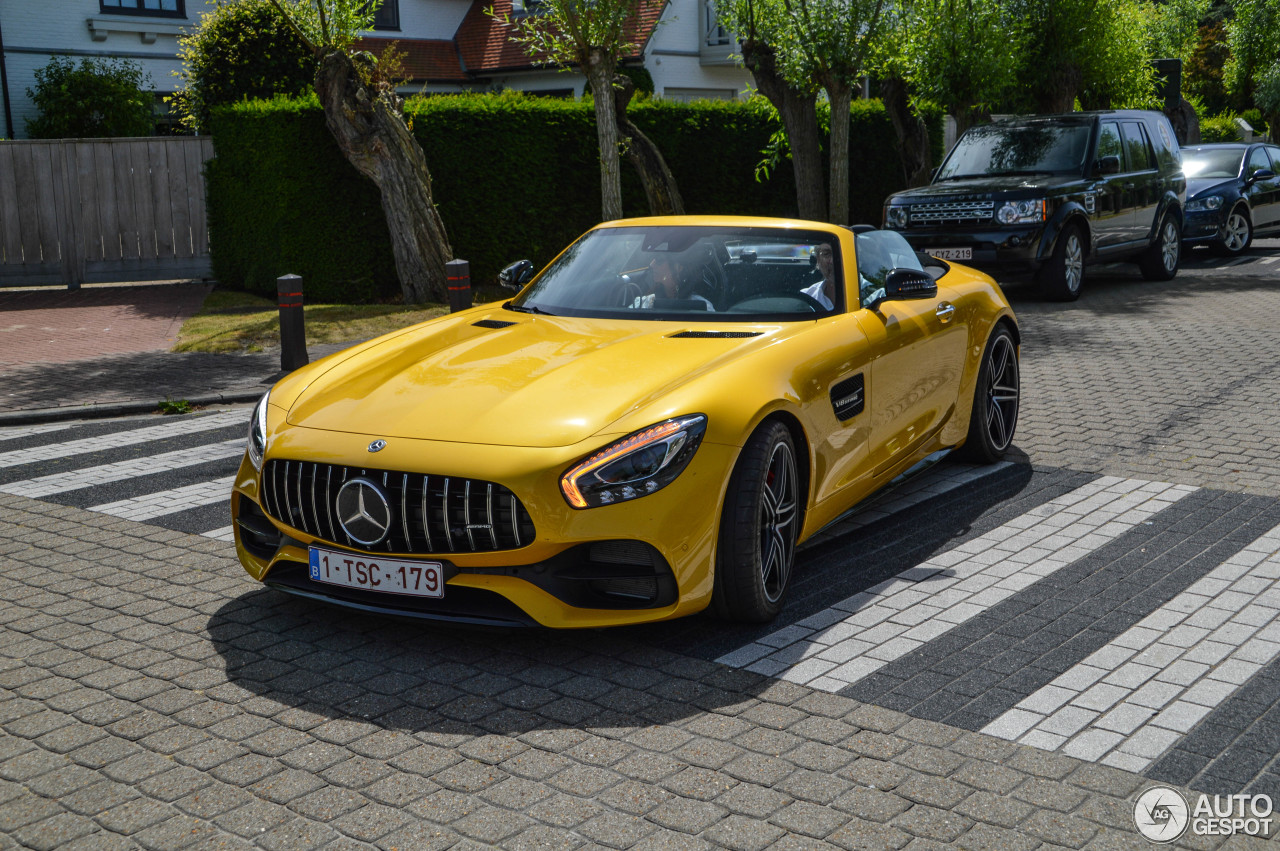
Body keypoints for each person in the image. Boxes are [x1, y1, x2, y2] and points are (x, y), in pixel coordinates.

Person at [632, 255, 715, 310]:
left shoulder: (703, 307)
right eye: (653, 259)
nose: (652, 265)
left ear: (679, 268)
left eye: (659, 260)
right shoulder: (645, 302)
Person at [801, 243, 836, 310]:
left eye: (840, 253)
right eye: (827, 254)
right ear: (818, 260)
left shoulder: (862, 294)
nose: (832, 261)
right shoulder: (806, 298)